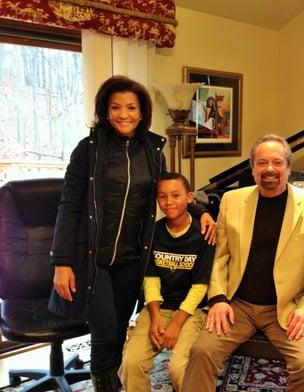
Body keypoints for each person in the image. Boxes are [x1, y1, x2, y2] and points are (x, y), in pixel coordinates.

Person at [47, 75, 216, 392]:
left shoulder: (153, 151)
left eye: (131, 107)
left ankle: (113, 379)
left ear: (142, 112)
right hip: (93, 260)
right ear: (104, 111)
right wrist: (61, 261)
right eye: (115, 107)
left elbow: (173, 193)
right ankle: (105, 384)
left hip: (131, 260)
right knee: (106, 332)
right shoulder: (88, 150)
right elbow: (68, 206)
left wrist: (201, 211)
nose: (123, 114)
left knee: (120, 327)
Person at [181, 134, 304, 392]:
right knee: (202, 351)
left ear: (289, 168)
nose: (269, 169)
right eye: (262, 163)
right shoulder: (232, 200)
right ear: (252, 169)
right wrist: (217, 298)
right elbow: (220, 257)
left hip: (286, 307)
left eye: (277, 162)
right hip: (238, 305)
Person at [119, 172, 214, 391]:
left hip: (192, 311)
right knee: (131, 363)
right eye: (162, 197)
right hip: (159, 306)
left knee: (179, 369)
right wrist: (154, 318)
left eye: (175, 195)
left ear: (189, 197)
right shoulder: (153, 233)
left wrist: (176, 324)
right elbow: (150, 278)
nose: (169, 202)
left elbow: (200, 287)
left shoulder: (204, 234)